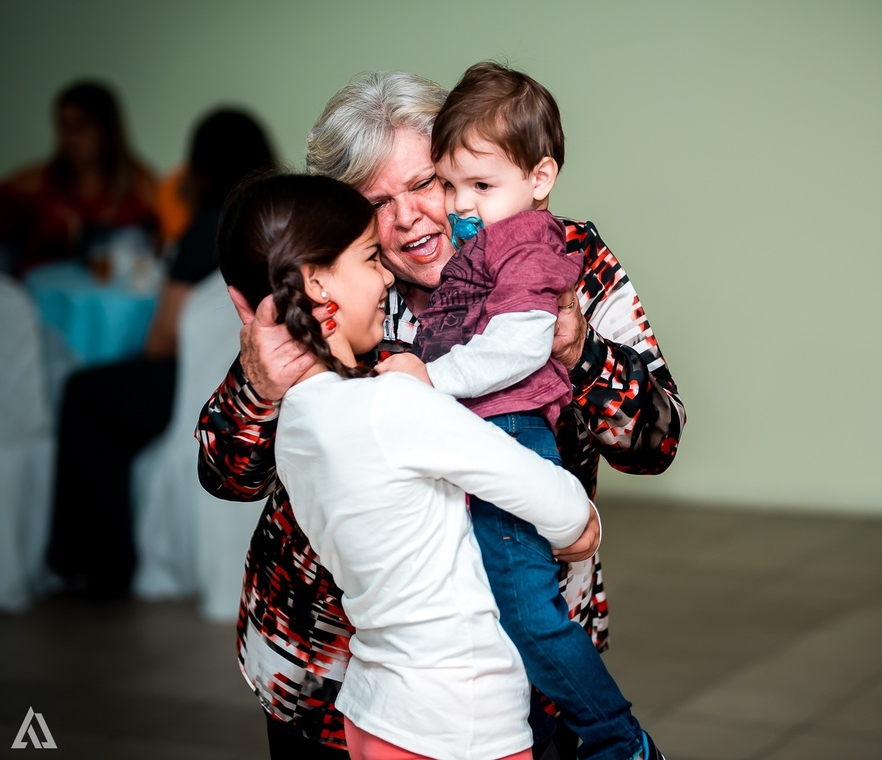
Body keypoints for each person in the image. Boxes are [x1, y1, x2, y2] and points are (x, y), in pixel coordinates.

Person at [196, 71, 684, 760]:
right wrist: (257, 385)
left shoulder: (564, 262)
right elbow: (227, 474)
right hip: (335, 672)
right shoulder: (337, 292)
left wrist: (579, 352)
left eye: (426, 183)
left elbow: (656, 439)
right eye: (374, 203)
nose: (409, 218)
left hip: (526, 664)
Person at [218, 172, 598, 760]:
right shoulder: (394, 400)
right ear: (319, 284)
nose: (385, 276)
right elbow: (562, 506)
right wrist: (579, 529)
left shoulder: (293, 418)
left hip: (374, 711)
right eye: (371, 257)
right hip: (455, 718)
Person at [382, 61, 658, 760]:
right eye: (449, 183)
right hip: (402, 666)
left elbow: (517, 346)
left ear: (539, 178)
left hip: (505, 429)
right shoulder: (357, 272)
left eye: (429, 185)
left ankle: (619, 740)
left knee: (527, 609)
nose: (446, 206)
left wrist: (422, 381)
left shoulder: (536, 245)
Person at [45, 109, 275, 598]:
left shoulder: (209, 228)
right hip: (257, 382)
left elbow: (162, 340)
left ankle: (98, 563)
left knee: (83, 394)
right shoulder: (278, 220)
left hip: (194, 388)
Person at [0, 80, 158, 276]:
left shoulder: (141, 185)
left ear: (106, 130)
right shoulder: (36, 183)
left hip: (116, 302)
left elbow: (169, 247)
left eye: (80, 126)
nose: (70, 138)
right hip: (39, 300)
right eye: (63, 126)